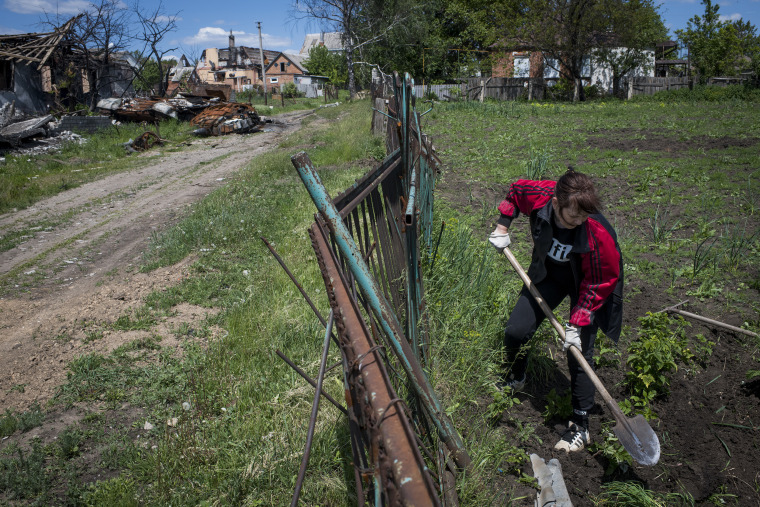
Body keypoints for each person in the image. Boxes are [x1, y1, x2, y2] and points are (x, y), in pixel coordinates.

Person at [488, 168, 623, 453]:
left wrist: (578, 321)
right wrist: (502, 227)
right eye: (572, 216)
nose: (578, 222)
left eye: (584, 216)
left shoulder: (598, 235)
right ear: (555, 203)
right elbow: (515, 192)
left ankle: (580, 424)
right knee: (516, 330)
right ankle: (517, 376)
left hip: (588, 284)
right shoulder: (540, 196)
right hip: (550, 274)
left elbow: (600, 281)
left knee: (579, 353)